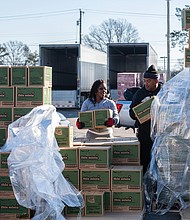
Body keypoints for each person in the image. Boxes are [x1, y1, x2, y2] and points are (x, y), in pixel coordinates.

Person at [129, 65, 162, 175]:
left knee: (159, 163)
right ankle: (145, 187)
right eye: (145, 81)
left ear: (156, 80)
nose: (146, 83)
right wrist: (142, 110)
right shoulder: (140, 93)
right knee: (145, 162)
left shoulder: (163, 92)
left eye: (149, 81)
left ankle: (157, 188)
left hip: (160, 135)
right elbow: (131, 113)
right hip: (145, 134)